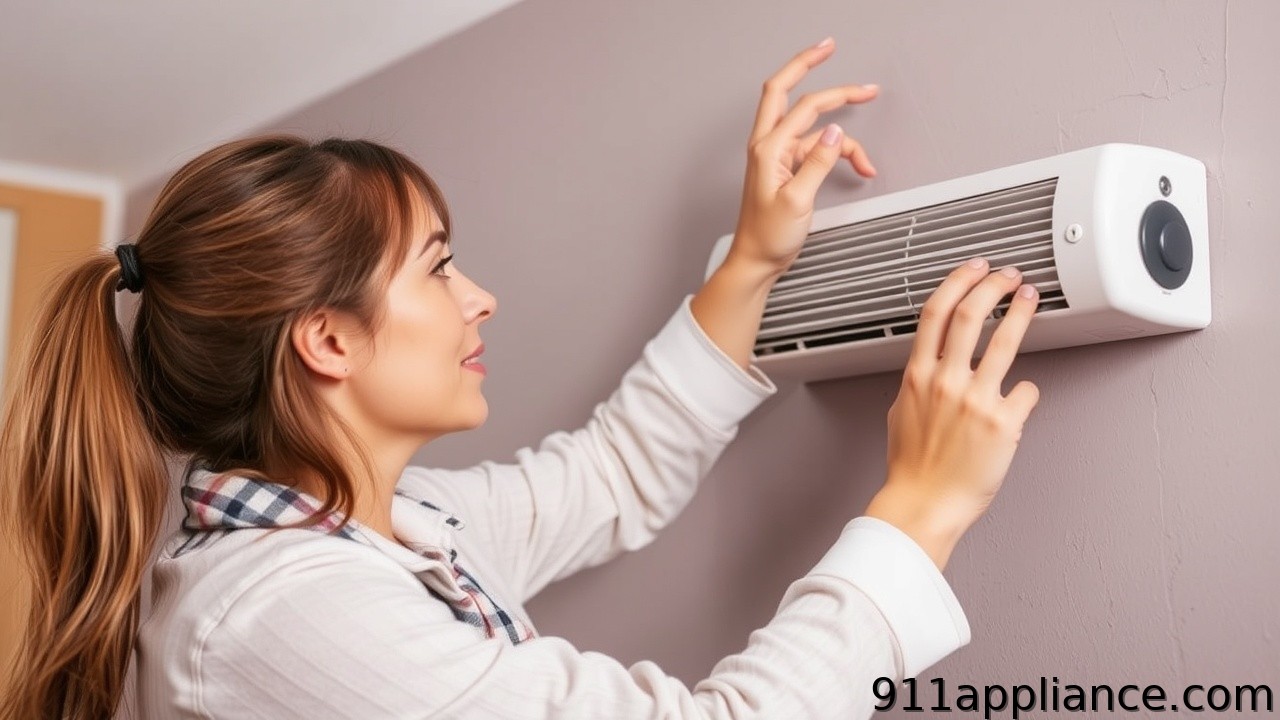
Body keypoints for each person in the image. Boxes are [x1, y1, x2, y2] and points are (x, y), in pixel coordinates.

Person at [0, 37, 1039, 719]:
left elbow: (612, 475)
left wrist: (755, 260)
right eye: (439, 266)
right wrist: (918, 508)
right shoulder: (282, 617)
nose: (477, 297)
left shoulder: (396, 524)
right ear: (328, 341)